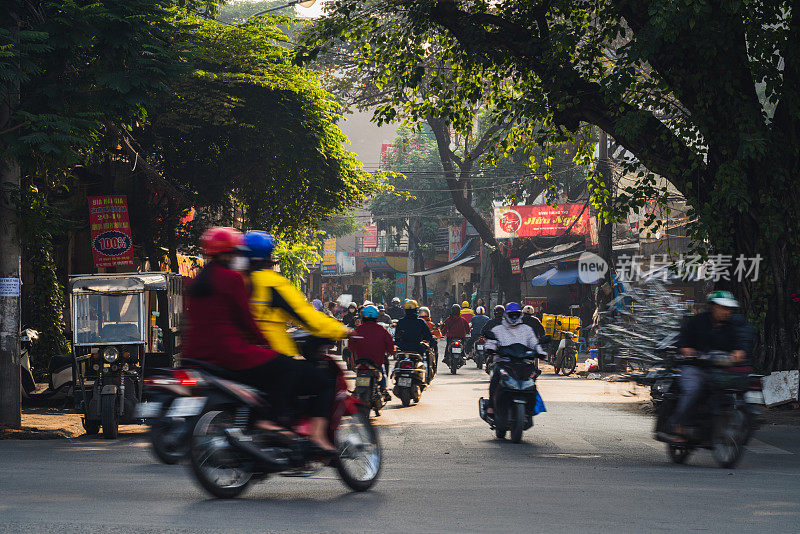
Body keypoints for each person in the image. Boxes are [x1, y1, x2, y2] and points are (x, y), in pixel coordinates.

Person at [183, 227, 333, 452]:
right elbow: (246, 320)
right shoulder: (234, 279)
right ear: (229, 253)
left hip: (195, 355)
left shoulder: (195, 283)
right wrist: (263, 343)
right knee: (288, 368)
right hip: (232, 353)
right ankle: (270, 421)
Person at [244, 230, 350, 451]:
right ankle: (318, 435)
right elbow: (305, 315)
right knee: (324, 381)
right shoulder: (272, 283)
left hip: (239, 356)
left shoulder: (238, 281)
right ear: (270, 256)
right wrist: (339, 329)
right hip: (272, 355)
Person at [667, 290, 753, 442]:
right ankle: (679, 425)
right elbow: (683, 341)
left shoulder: (732, 326)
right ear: (712, 307)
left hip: (719, 370)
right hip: (694, 367)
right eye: (723, 308)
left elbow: (739, 346)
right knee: (693, 389)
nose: (727, 312)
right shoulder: (696, 322)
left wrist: (739, 353)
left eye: (729, 309)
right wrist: (687, 349)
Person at [483, 302, 547, 415]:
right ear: (506, 315)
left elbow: (534, 343)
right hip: (504, 363)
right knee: (495, 378)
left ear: (520, 314)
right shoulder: (498, 329)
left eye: (516, 314)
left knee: (532, 382)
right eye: (511, 314)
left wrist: (541, 353)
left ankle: (529, 409)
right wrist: (490, 348)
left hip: (523, 363)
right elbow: (491, 342)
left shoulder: (527, 330)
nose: (513, 317)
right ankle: (491, 406)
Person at [349, 305, 394, 401]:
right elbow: (390, 345)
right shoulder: (382, 330)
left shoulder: (357, 329)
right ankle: (384, 390)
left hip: (361, 363)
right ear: (376, 316)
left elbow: (350, 346)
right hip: (376, 363)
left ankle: (356, 390)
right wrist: (392, 351)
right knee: (382, 374)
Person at [394, 299, 435, 378]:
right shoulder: (421, 322)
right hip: (417, 349)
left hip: (403, 349)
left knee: (398, 363)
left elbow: (397, 338)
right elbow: (428, 336)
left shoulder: (400, 322)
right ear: (416, 310)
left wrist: (398, 344)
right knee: (424, 362)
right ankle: (426, 377)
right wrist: (433, 343)